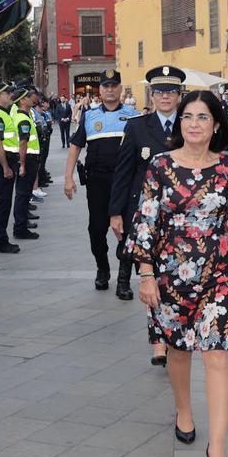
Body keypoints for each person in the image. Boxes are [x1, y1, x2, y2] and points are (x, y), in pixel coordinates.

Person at [127, 90, 228, 457]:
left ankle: (217, 448)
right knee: (178, 350)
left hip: (219, 274)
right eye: (188, 116)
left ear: (216, 124)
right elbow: (146, 222)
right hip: (170, 275)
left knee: (217, 355)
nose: (194, 123)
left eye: (203, 117)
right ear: (180, 123)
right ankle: (183, 410)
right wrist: (147, 273)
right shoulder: (160, 166)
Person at [110, 65, 184, 364]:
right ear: (151, 95)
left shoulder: (191, 123)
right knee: (150, 276)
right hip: (147, 216)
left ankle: (174, 331)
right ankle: (159, 340)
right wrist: (116, 213)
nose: (165, 96)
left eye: (170, 91)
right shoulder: (137, 126)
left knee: (176, 277)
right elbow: (124, 172)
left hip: (183, 216)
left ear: (180, 95)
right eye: (159, 91)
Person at [64, 69, 139, 291]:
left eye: (113, 85)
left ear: (120, 88)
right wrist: (68, 177)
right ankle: (102, 268)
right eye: (105, 86)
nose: (109, 90)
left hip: (125, 181)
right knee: (96, 229)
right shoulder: (89, 115)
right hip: (97, 181)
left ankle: (123, 280)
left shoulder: (134, 115)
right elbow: (75, 147)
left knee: (127, 229)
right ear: (100, 90)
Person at [0, 81, 21, 254]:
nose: (11, 96)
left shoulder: (3, 113)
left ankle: (1, 238)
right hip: (3, 162)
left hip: (8, 160)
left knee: (5, 202)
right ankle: (0, 240)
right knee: (2, 203)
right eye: (8, 93)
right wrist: (5, 167)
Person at [7, 87, 43, 240]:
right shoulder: (22, 119)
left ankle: (21, 225)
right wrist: (22, 164)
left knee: (24, 194)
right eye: (28, 96)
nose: (31, 98)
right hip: (27, 158)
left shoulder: (24, 116)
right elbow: (23, 142)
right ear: (22, 100)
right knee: (22, 195)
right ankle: (20, 228)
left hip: (28, 158)